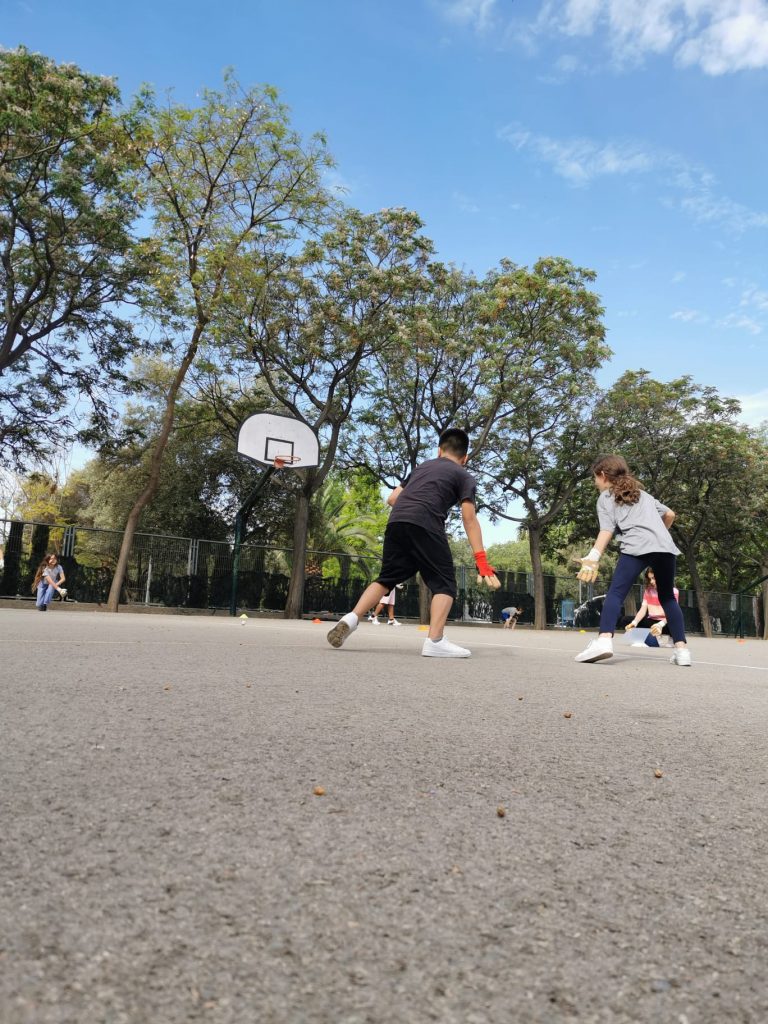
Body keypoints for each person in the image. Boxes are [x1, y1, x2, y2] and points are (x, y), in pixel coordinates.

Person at [327, 428, 499, 658]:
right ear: (465, 458)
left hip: (397, 521)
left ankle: (352, 618)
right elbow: (469, 518)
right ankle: (435, 641)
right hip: (425, 522)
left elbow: (392, 499)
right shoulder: (464, 476)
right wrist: (481, 560)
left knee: (386, 578)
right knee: (445, 584)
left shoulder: (421, 467)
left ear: (439, 451)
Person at [573, 455, 691, 666]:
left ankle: (604, 641)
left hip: (637, 546)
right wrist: (657, 536)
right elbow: (670, 514)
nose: (595, 482)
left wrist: (593, 557)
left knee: (616, 593)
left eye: (595, 478)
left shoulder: (606, 497)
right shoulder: (643, 494)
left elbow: (606, 530)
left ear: (603, 475)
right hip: (665, 547)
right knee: (667, 598)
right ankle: (682, 651)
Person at [623, 568, 679, 647]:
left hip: (666, 622)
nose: (651, 581)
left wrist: (660, 624)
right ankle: (652, 637)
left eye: (654, 578)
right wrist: (634, 623)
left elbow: (672, 612)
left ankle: (672, 639)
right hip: (652, 621)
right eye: (650, 579)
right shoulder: (648, 591)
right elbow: (643, 610)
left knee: (676, 619)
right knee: (626, 620)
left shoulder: (674, 591)